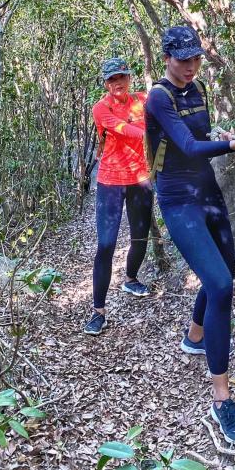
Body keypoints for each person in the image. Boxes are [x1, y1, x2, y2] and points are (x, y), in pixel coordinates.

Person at [145, 26, 235, 445]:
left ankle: (195, 335)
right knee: (220, 284)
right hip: (178, 198)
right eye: (183, 60)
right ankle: (222, 400)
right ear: (167, 58)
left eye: (196, 59)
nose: (190, 67)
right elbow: (185, 145)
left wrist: (225, 136)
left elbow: (201, 135)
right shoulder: (158, 97)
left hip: (207, 191)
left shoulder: (196, 89)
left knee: (226, 274)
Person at [84, 58, 152, 336]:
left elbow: (167, 108)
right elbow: (125, 130)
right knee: (106, 244)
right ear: (105, 83)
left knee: (140, 236)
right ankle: (98, 311)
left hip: (140, 178)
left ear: (129, 78)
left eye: (121, 77)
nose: (117, 83)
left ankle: (131, 278)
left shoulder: (143, 100)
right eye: (111, 79)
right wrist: (154, 134)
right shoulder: (100, 109)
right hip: (110, 181)